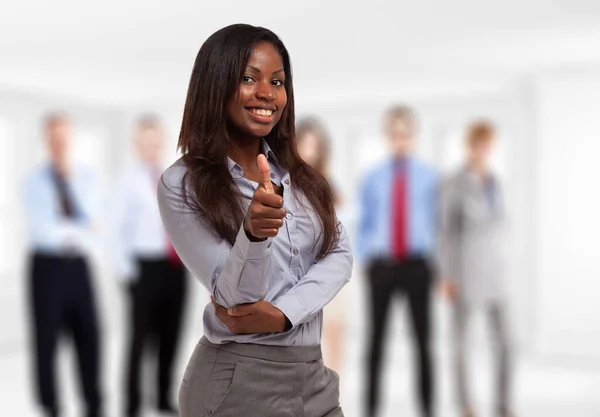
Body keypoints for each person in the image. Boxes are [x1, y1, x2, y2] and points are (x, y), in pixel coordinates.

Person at [157, 24, 353, 417]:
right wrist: (253, 234)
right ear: (216, 85)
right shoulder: (181, 184)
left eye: (277, 81)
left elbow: (340, 255)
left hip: (312, 376)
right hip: (238, 382)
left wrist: (284, 314)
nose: (267, 93)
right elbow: (236, 304)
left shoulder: (301, 175)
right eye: (249, 78)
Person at [357, 105, 437, 417]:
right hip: (382, 266)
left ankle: (428, 409)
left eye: (405, 132)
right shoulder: (372, 177)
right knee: (375, 342)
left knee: (423, 343)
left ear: (413, 135)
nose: (399, 138)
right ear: (387, 136)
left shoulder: (430, 176)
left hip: (418, 265)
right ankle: (371, 408)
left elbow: (437, 222)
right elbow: (364, 221)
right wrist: (367, 258)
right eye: (394, 132)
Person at [23, 113, 103, 417]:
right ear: (47, 141)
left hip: (78, 267)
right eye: (54, 139)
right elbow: (44, 230)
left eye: (64, 139)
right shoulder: (34, 182)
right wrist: (79, 230)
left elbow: (94, 219)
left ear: (71, 140)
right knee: (46, 341)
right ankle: (50, 406)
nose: (59, 145)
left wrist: (74, 226)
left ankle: (93, 404)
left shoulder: (85, 177)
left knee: (90, 337)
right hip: (46, 268)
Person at [111, 115, 187, 417]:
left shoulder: (171, 177)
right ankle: (131, 405)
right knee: (139, 342)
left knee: (171, 336)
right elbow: (116, 231)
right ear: (136, 143)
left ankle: (162, 397)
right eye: (146, 141)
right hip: (144, 270)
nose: (151, 146)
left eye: (156, 140)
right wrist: (129, 276)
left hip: (174, 267)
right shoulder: (127, 181)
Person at [438, 121, 516, 417]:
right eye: (477, 144)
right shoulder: (455, 183)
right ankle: (465, 404)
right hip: (466, 273)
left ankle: (504, 404)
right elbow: (445, 233)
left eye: (487, 144)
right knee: (462, 342)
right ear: (469, 146)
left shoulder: (496, 181)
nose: (483, 150)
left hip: (497, 272)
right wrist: (447, 276)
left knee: (508, 340)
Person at [295, 117, 348, 374]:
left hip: (327, 265)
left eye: (314, 145)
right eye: (304, 144)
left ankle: (334, 388)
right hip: (298, 270)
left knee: (334, 330)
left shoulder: (329, 185)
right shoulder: (284, 182)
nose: (309, 151)